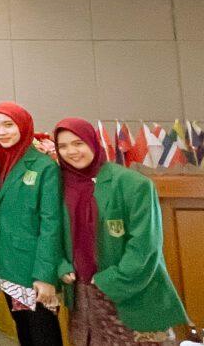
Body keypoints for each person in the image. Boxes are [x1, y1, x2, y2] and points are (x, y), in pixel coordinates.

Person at [53, 118, 187, 345]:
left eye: (78, 143)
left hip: (129, 289)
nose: (71, 152)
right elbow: (53, 232)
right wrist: (61, 265)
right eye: (63, 146)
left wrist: (110, 280)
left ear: (92, 142)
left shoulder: (133, 184)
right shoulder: (60, 185)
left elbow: (145, 245)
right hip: (82, 297)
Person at [0, 102, 64, 346]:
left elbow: (51, 223)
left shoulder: (44, 166)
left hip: (33, 268)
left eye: (9, 125)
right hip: (5, 263)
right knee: (24, 331)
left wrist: (45, 276)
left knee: (43, 333)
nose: (1, 132)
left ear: (23, 126)